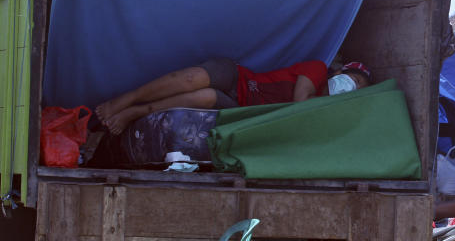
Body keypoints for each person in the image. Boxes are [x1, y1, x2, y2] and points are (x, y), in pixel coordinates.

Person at [95, 58, 371, 136]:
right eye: (353, 79)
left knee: (204, 98)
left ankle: (138, 111)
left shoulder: (323, 109)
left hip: (240, 107)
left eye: (358, 88)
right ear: (341, 71)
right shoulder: (318, 69)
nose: (351, 86)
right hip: (240, 79)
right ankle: (127, 99)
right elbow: (299, 102)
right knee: (193, 78)